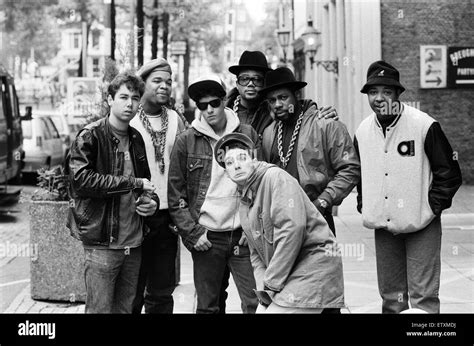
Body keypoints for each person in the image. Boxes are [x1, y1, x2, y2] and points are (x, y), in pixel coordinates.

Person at [219, 50, 340, 313]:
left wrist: (323, 199)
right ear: (237, 83)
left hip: (308, 209)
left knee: (320, 292)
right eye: (245, 78)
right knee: (255, 294)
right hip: (258, 211)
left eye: (257, 80)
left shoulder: (281, 112)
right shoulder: (223, 113)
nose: (251, 84)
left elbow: (300, 113)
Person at [355, 60, 462, 313]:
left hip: (421, 225)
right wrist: (365, 203)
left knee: (423, 298)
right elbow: (360, 173)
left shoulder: (424, 125)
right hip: (384, 227)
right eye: (373, 92)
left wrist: (431, 207)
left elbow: (449, 172)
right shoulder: (362, 130)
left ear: (398, 94)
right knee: (393, 299)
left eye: (386, 92)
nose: (379, 98)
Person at [215, 133, 345, 313]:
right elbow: (256, 255)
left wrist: (271, 284)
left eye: (242, 158)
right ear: (226, 173)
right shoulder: (245, 203)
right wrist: (264, 294)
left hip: (311, 267)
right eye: (229, 163)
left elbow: (291, 230)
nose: (236, 165)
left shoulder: (275, 177)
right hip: (287, 275)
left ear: (253, 159)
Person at [66, 71, 159, 313]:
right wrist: (133, 184)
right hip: (102, 243)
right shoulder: (91, 135)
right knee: (99, 310)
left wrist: (151, 203)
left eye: (135, 98)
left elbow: (146, 183)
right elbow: (81, 180)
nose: (130, 104)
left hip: (134, 242)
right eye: (123, 97)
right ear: (109, 99)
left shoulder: (137, 138)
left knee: (125, 310)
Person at [168, 75, 259, 314]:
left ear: (224, 102)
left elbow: (262, 184)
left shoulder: (247, 133)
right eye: (202, 105)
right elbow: (175, 195)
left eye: (214, 103)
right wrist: (192, 233)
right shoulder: (186, 141)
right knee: (208, 306)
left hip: (242, 234)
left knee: (256, 303)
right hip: (208, 237)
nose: (209, 110)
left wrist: (253, 226)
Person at [260, 67, 360, 236]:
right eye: (272, 100)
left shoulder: (326, 124)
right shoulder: (270, 132)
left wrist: (324, 200)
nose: (277, 104)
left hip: (318, 217)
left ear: (296, 95)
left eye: (283, 97)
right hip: (282, 222)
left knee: (321, 263)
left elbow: (350, 168)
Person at [130, 58, 188, 314]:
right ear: (142, 84)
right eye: (157, 81)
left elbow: (187, 167)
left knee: (162, 290)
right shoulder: (128, 118)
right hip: (135, 216)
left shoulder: (176, 120)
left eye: (168, 81)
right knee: (131, 289)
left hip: (166, 216)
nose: (164, 86)